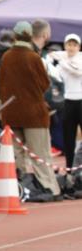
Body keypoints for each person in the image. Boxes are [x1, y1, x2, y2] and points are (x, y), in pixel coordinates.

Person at [0, 20, 60, 199]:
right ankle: (49, 188)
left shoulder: (7, 56)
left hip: (11, 112)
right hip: (34, 113)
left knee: (15, 154)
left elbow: (1, 82)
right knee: (40, 154)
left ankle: (19, 187)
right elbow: (44, 83)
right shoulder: (33, 57)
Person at [49, 33, 82, 172]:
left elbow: (78, 72)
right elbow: (55, 75)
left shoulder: (80, 58)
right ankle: (70, 169)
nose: (71, 47)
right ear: (65, 45)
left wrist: (60, 58)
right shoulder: (63, 60)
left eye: (74, 45)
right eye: (69, 44)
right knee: (68, 138)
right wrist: (50, 61)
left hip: (81, 101)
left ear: (78, 47)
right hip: (67, 102)